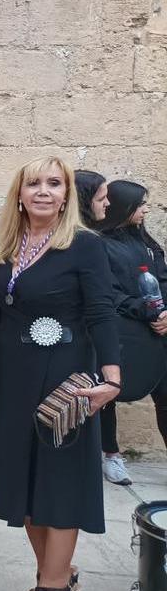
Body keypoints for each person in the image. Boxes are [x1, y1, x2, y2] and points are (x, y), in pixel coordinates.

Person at [0, 156, 120, 591]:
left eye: (54, 183)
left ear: (66, 194)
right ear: (19, 194)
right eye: (33, 183)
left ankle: (54, 587)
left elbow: (103, 313)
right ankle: (58, 572)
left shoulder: (85, 246)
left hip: (66, 377)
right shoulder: (6, 245)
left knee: (59, 481)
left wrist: (112, 379)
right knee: (22, 480)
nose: (43, 191)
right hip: (12, 379)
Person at [98, 180, 167, 485]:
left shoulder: (148, 243)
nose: (145, 210)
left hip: (156, 333)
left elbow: (163, 280)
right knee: (107, 394)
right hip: (120, 331)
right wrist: (145, 309)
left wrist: (165, 312)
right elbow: (106, 293)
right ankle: (110, 456)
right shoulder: (100, 244)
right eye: (140, 204)